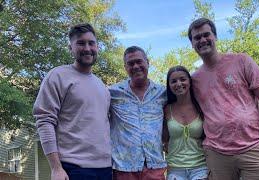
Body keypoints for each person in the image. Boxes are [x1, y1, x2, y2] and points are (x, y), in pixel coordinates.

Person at [188, 17, 259, 180]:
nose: (202, 40)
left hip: (254, 148)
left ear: (215, 37)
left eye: (206, 35)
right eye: (197, 38)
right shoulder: (194, 80)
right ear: (192, 44)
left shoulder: (242, 60)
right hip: (216, 154)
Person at [33, 23, 112, 180]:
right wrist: (56, 168)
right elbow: (44, 121)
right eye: (81, 43)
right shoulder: (58, 76)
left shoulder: (102, 87)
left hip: (105, 169)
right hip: (72, 169)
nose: (87, 48)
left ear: (97, 47)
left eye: (92, 43)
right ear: (71, 48)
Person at [109, 46, 166, 180]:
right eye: (130, 63)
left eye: (139, 61)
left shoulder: (163, 93)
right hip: (123, 168)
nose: (135, 66)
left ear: (148, 62)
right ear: (125, 67)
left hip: (155, 166)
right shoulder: (112, 93)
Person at [163, 65, 208, 180]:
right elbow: (164, 140)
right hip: (175, 169)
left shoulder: (201, 106)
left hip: (201, 167)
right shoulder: (166, 109)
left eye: (182, 79)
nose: (178, 84)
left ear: (189, 81)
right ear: (169, 85)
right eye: (173, 81)